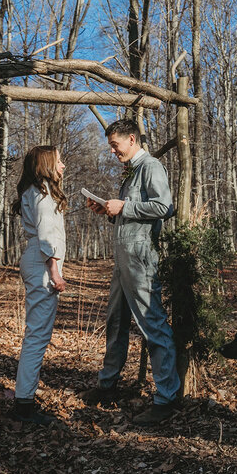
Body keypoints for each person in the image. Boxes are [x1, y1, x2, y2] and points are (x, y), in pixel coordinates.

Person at [81, 119, 180, 425]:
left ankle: (166, 398)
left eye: (115, 144)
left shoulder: (150, 166)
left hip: (141, 259)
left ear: (133, 140)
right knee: (116, 322)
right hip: (123, 259)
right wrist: (109, 212)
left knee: (153, 326)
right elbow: (132, 214)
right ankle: (108, 384)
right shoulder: (131, 172)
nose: (113, 151)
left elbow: (164, 206)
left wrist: (123, 207)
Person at [9, 145, 67, 425]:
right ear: (46, 164)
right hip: (42, 263)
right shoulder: (43, 191)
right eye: (59, 161)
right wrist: (55, 271)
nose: (63, 166)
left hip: (35, 260)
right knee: (37, 337)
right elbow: (46, 236)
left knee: (36, 334)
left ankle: (24, 400)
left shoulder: (36, 190)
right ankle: (24, 405)